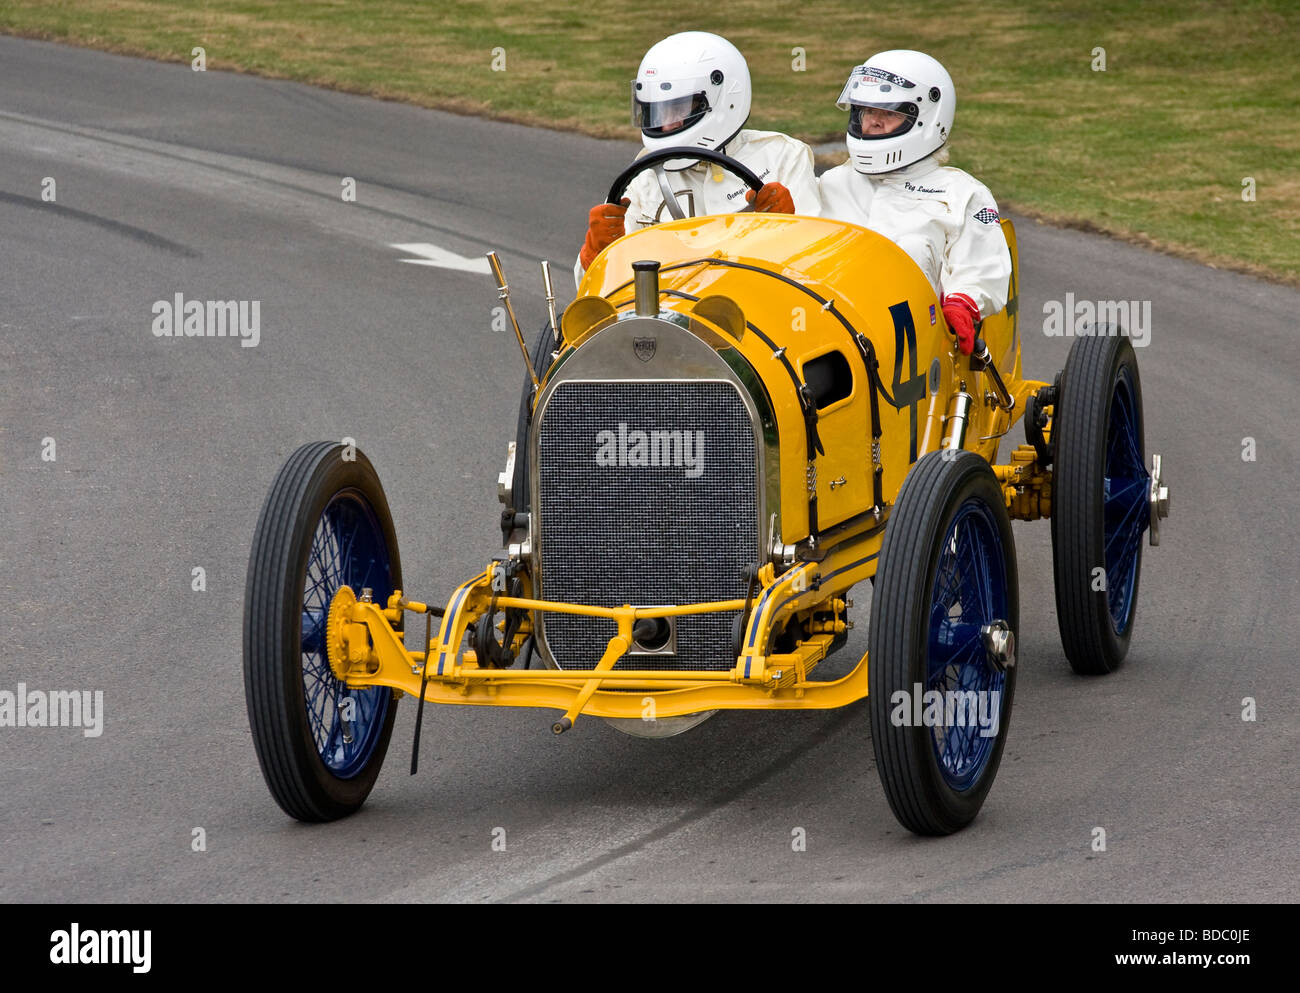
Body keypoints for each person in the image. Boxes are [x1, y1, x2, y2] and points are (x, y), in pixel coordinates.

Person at [576, 31, 820, 285]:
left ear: (724, 99)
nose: (665, 125)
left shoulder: (782, 156)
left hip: (758, 313)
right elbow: (592, 296)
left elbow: (815, 271)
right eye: (655, 112)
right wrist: (597, 254)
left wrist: (789, 231)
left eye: (676, 109)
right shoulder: (641, 182)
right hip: (667, 318)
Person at [817, 50, 1011, 355]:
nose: (874, 123)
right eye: (868, 111)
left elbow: (982, 265)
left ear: (927, 121)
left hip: (918, 349)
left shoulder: (962, 193)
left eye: (889, 113)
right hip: (827, 332)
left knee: (912, 248)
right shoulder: (832, 183)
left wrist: (962, 302)